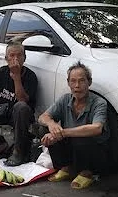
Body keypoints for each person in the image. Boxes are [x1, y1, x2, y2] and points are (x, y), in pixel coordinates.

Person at [38, 61, 110, 189]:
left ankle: (87, 172)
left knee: (81, 135)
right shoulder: (65, 99)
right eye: (73, 81)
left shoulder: (99, 102)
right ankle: (68, 168)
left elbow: (97, 128)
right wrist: (51, 124)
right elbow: (43, 117)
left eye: (82, 81)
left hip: (95, 152)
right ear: (68, 83)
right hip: (72, 147)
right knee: (44, 129)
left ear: (89, 82)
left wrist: (62, 132)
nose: (77, 86)